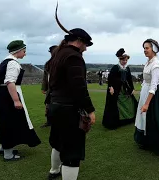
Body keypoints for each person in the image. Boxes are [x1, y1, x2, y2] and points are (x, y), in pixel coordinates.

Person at [46, 4, 96, 180]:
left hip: (55, 107)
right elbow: (79, 87)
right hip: (68, 111)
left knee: (59, 143)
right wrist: (90, 110)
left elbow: (53, 83)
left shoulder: (58, 54)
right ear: (79, 42)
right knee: (72, 152)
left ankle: (53, 172)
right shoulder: (74, 56)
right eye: (86, 44)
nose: (86, 48)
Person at [0, 40, 41, 161]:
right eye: (24, 51)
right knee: (10, 123)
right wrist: (16, 100)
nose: (25, 53)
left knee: (5, 121)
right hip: (8, 95)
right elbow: (10, 82)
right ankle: (8, 154)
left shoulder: (5, 61)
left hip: (2, 94)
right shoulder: (13, 63)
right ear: (17, 51)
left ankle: (4, 148)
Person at [102, 48, 138, 130]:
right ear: (120, 59)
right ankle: (116, 122)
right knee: (115, 105)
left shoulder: (127, 68)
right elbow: (110, 79)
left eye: (126, 60)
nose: (125, 61)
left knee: (130, 102)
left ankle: (129, 119)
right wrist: (111, 87)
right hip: (116, 89)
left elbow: (129, 79)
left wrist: (132, 88)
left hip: (125, 89)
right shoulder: (115, 67)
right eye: (123, 60)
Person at [41, 45, 58, 128]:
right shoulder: (48, 63)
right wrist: (44, 88)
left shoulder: (62, 61)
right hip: (50, 89)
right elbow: (45, 77)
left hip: (59, 89)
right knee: (48, 105)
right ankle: (49, 121)